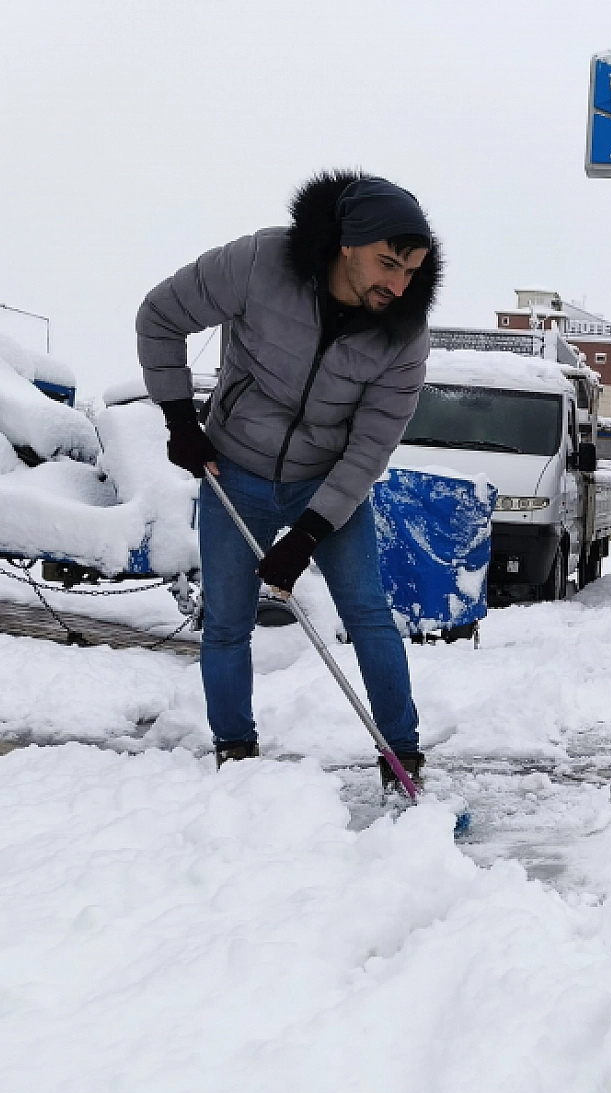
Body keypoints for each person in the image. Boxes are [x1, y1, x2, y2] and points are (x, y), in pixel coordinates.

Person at [136, 170, 441, 783]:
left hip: (326, 485)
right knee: (225, 621)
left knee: (368, 614)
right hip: (235, 469)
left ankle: (400, 754)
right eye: (387, 263)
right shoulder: (259, 263)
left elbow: (369, 449)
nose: (398, 285)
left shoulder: (402, 338)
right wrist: (179, 420)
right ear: (345, 244)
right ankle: (235, 752)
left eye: (411, 269)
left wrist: (305, 536)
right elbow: (160, 315)